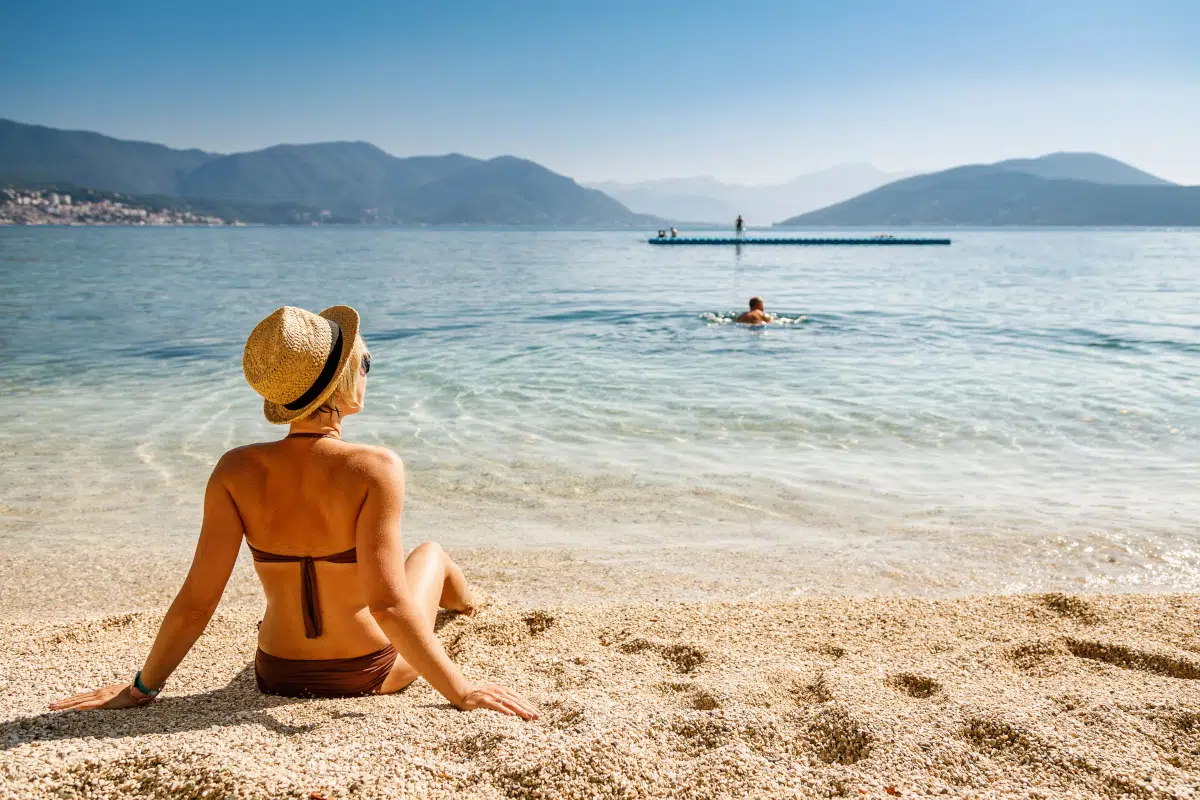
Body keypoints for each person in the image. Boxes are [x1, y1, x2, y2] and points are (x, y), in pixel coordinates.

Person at [49, 305, 538, 720]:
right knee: (431, 554)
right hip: (369, 669)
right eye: (363, 363)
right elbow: (389, 607)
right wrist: (462, 691)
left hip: (276, 673)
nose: (367, 373)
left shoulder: (234, 469)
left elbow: (198, 602)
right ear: (341, 383)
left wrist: (140, 689)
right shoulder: (376, 467)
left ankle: (467, 607)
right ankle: (469, 608)